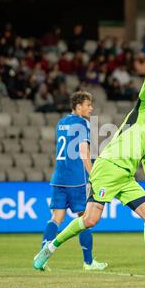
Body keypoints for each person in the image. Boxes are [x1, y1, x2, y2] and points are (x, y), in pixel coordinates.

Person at [33, 48, 145, 285]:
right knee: (90, 221)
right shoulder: (143, 110)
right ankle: (49, 248)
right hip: (108, 169)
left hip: (126, 178)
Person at [40, 91, 108, 271]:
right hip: (76, 179)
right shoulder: (82, 123)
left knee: (56, 218)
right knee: (84, 218)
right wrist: (94, 175)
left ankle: (42, 257)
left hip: (59, 177)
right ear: (79, 107)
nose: (91, 108)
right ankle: (88, 262)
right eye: (88, 105)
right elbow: (83, 152)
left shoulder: (61, 123)